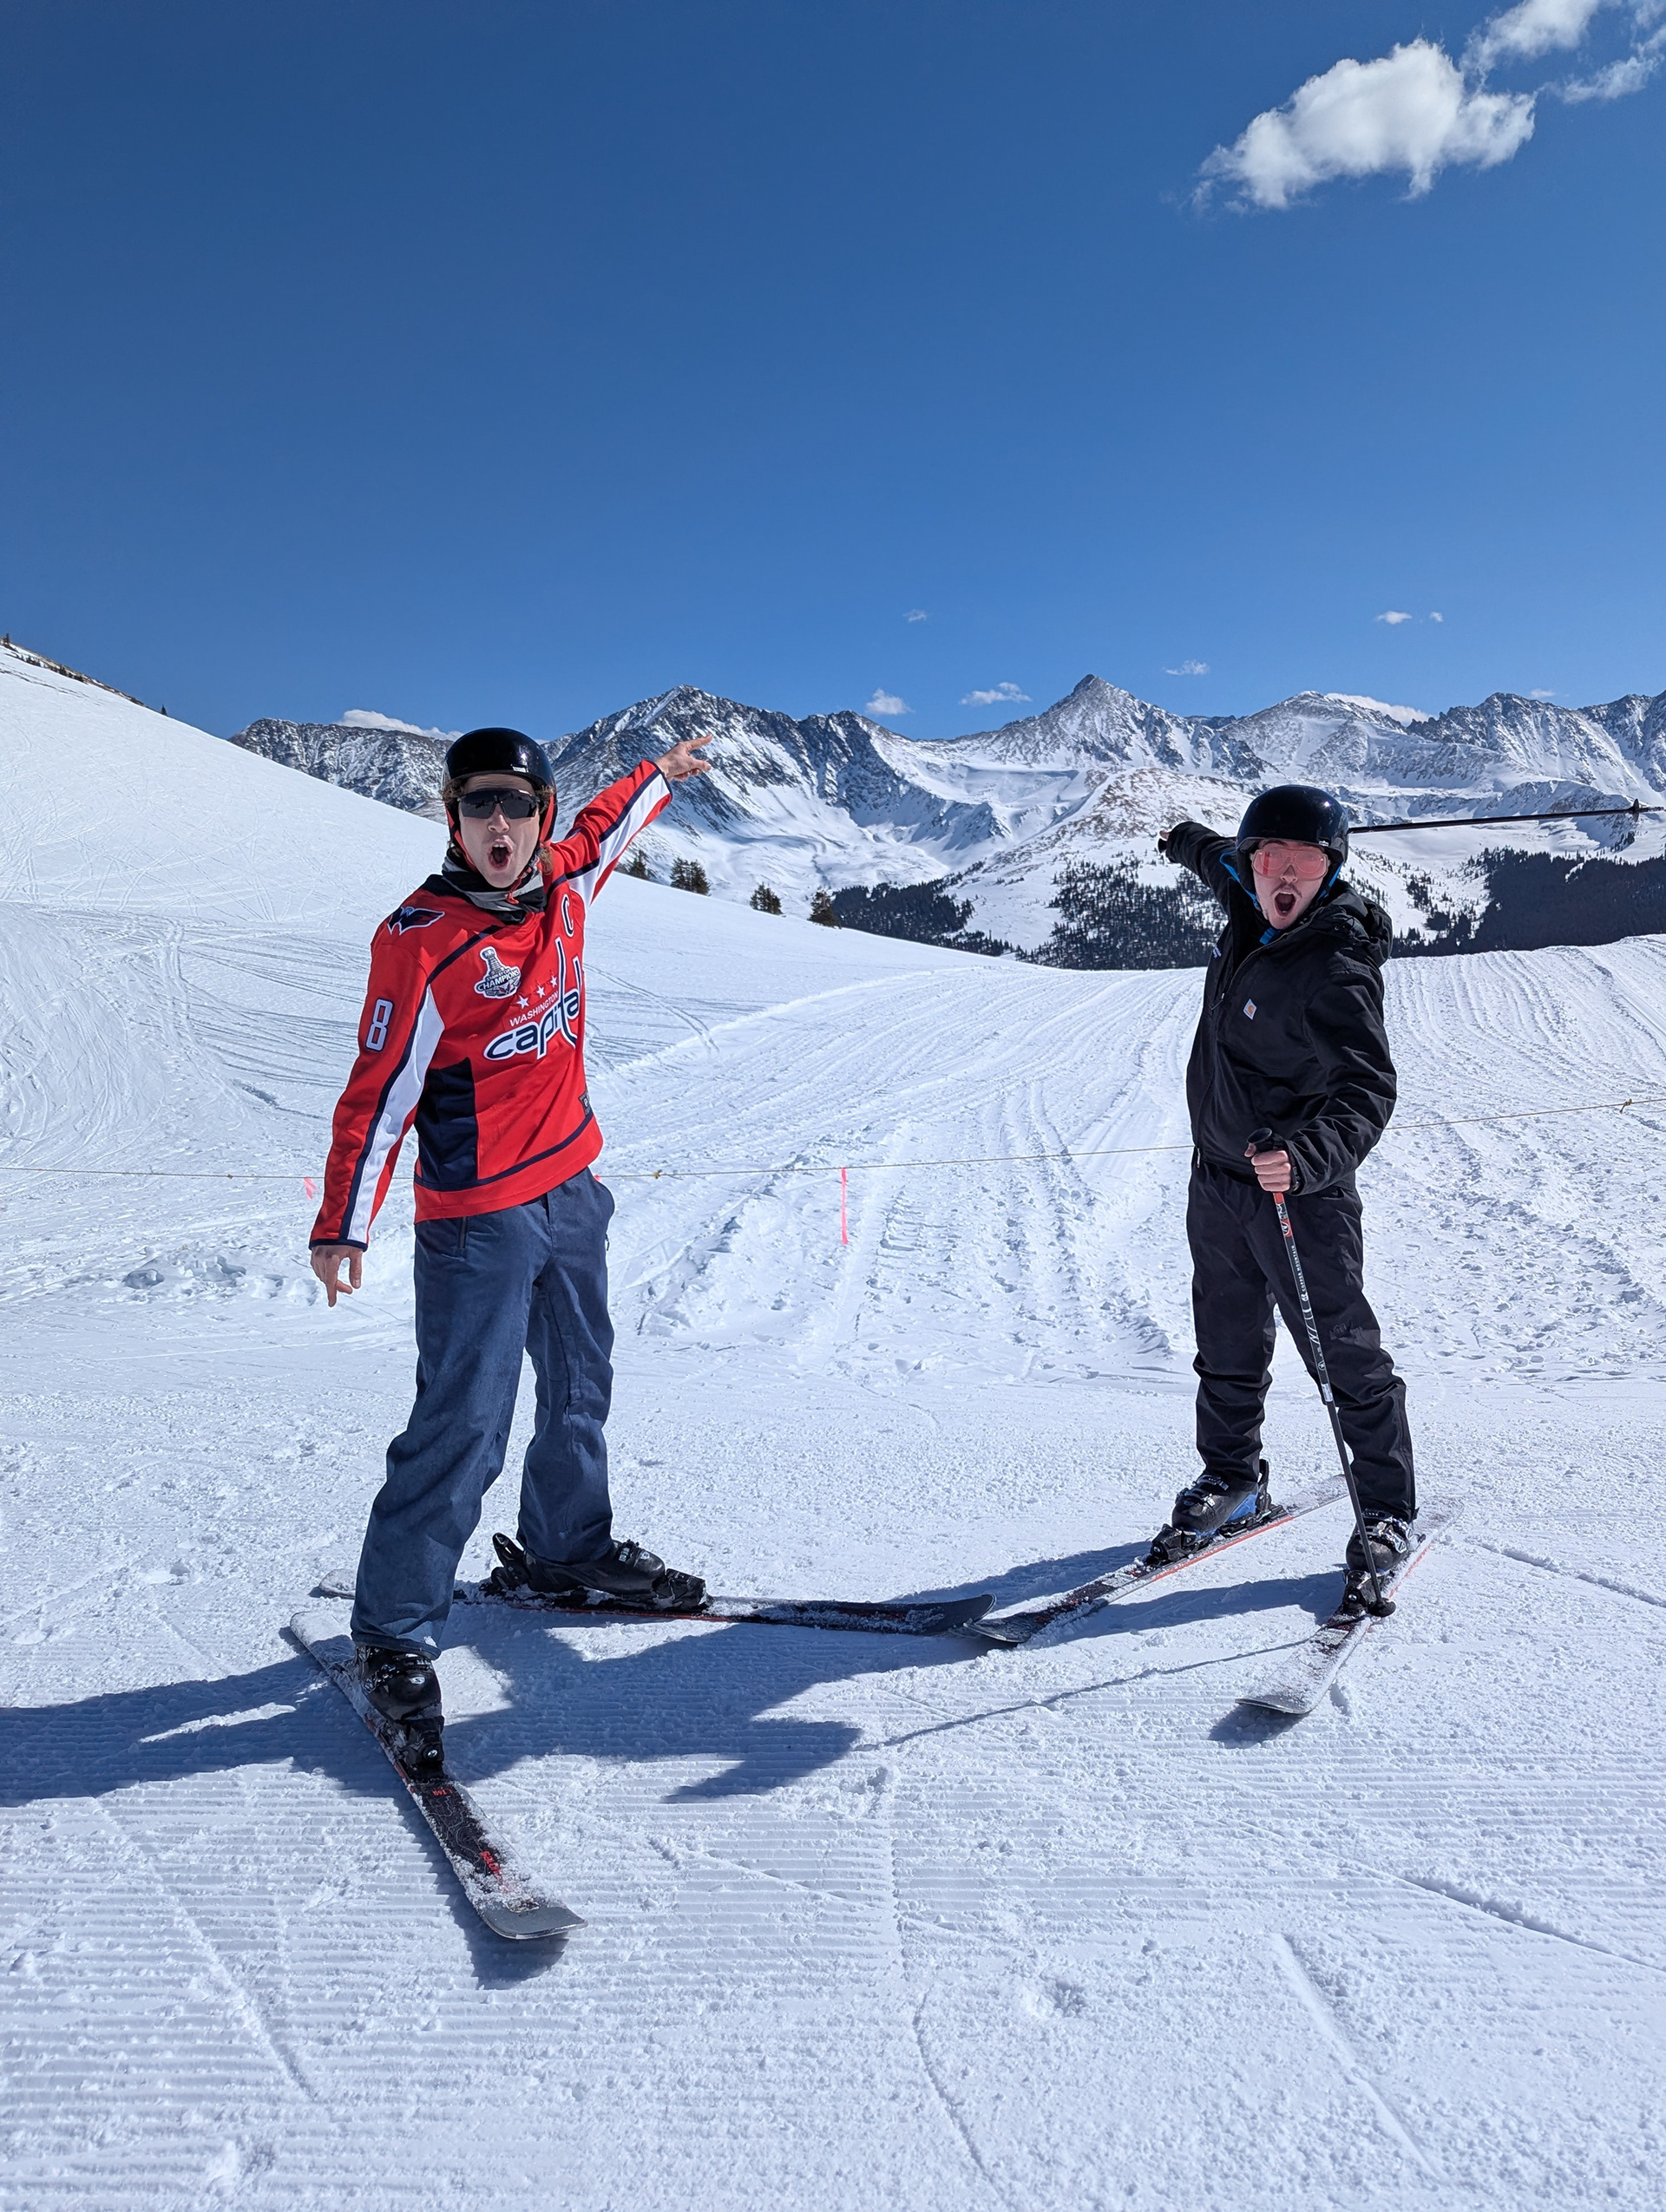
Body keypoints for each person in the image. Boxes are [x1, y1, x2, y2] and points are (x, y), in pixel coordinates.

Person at [309, 724, 712, 1770]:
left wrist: (657, 777)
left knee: (581, 1381)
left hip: (572, 1185)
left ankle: (565, 1553)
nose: (501, 825)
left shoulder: (566, 884)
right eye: (480, 806)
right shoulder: (422, 937)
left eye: (517, 807)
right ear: (452, 818)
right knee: (465, 1422)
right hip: (477, 1218)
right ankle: (394, 1631)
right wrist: (345, 1219)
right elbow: (379, 1093)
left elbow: (603, 830)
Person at [1150, 784, 1415, 1593]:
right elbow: (1217, 860)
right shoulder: (1247, 901)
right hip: (1220, 1185)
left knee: (1344, 1357)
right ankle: (1233, 1479)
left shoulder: (1335, 965)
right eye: (1271, 859)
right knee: (1226, 1347)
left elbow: (1367, 1091)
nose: (1282, 873)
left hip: (1299, 1193)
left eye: (1302, 861)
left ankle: (1386, 1512)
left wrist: (1306, 1157)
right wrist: (1183, 836)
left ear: (1329, 871)